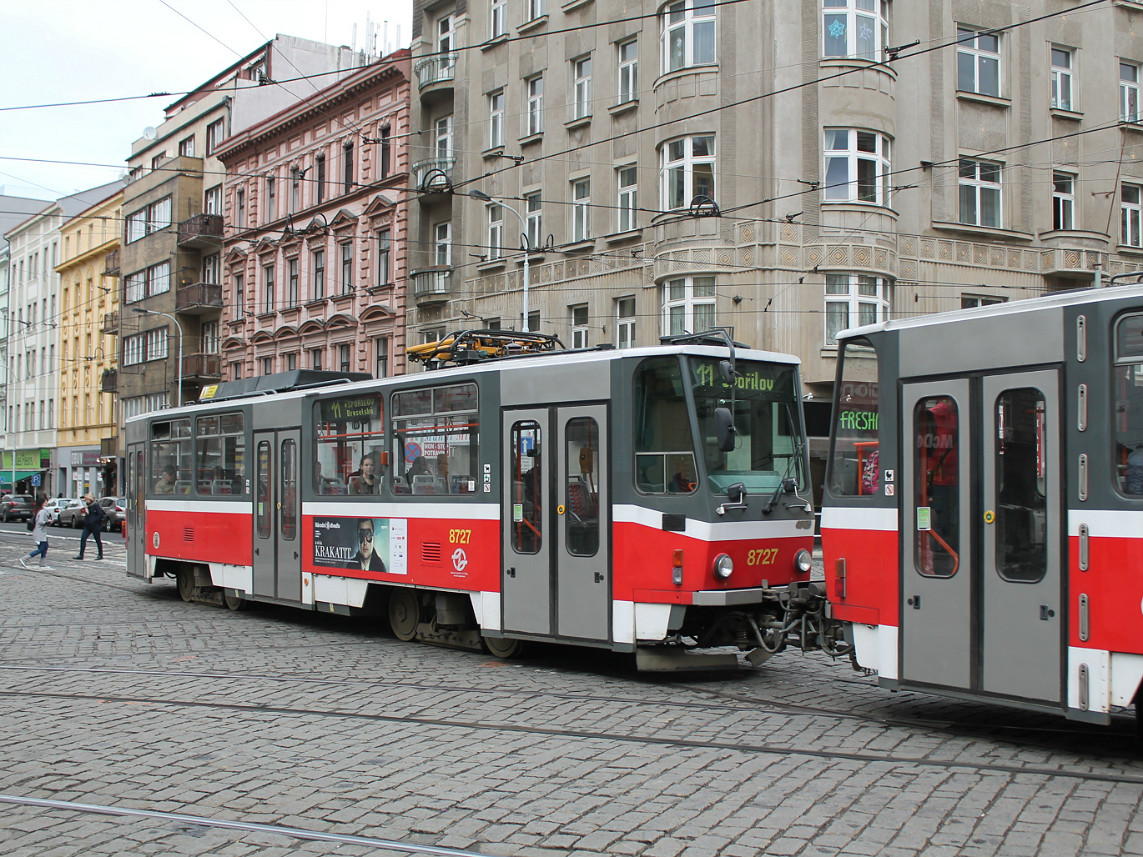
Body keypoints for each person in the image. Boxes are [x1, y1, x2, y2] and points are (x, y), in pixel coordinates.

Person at [20, 494, 51, 569]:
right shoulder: (42, 511)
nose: (47, 502)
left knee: (45, 546)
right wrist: (48, 522)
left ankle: (42, 562)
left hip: (40, 532)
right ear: (43, 502)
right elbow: (40, 521)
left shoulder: (41, 510)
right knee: (41, 548)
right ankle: (25, 558)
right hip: (39, 532)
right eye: (45, 501)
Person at [74, 494, 105, 561]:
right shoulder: (87, 506)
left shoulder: (96, 505)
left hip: (95, 526)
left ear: (90, 499)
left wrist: (94, 520)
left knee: (97, 540)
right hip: (87, 526)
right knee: (83, 538)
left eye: (87, 499)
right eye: (85, 499)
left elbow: (100, 514)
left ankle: (100, 554)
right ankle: (81, 554)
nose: (86, 501)